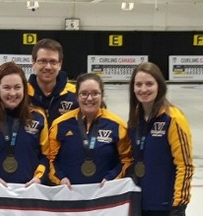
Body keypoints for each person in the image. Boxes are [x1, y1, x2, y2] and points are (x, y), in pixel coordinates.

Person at [127, 62, 194, 216]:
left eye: (149, 84)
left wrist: (178, 205)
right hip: (139, 203)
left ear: (160, 86)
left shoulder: (173, 118)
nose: (143, 89)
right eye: (138, 84)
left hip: (166, 207)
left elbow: (185, 165)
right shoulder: (135, 118)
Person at [48, 73, 133, 189]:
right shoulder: (60, 124)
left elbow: (126, 160)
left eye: (95, 93)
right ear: (77, 97)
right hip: (68, 196)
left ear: (102, 95)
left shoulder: (117, 125)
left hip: (104, 196)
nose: (89, 98)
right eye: (84, 94)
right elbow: (50, 159)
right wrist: (60, 178)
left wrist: (112, 178)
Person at [0, 61, 49, 187]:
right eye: (6, 88)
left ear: (24, 89)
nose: (13, 93)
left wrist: (39, 178)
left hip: (29, 195)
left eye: (17, 87)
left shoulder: (38, 117)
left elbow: (46, 156)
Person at [28, 38, 78, 127]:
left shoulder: (76, 94)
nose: (48, 67)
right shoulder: (22, 94)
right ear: (33, 62)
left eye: (53, 62)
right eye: (42, 61)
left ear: (60, 64)